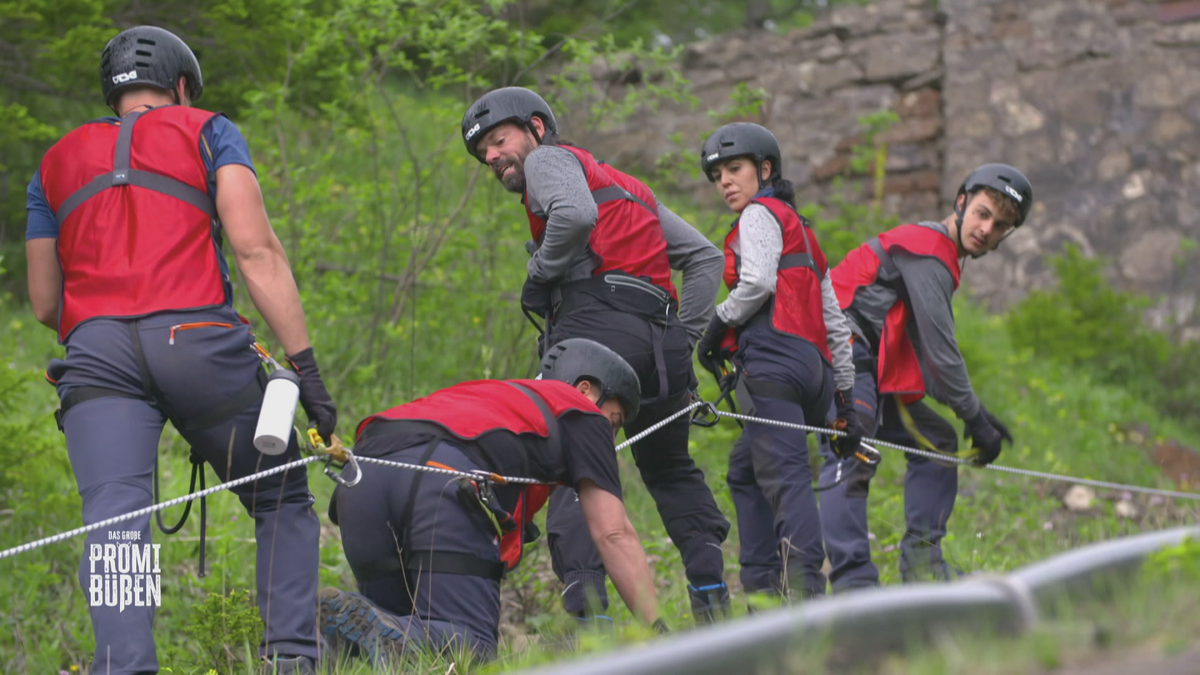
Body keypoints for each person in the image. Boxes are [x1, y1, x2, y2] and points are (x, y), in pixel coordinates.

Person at [24, 26, 336, 674]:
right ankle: (291, 661)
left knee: (116, 522)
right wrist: (305, 367)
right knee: (280, 497)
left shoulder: (54, 161)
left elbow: (46, 302)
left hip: (96, 352)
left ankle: (126, 664)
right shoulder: (208, 129)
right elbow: (254, 250)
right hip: (196, 339)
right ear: (183, 85)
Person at [460, 87, 732, 623]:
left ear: (537, 127)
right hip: (659, 346)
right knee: (672, 470)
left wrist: (539, 274)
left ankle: (593, 631)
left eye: (498, 140)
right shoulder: (626, 186)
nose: (492, 157)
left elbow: (577, 215)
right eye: (483, 154)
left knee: (568, 464)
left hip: (593, 332)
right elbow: (705, 258)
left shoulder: (551, 161)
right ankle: (712, 605)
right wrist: (682, 338)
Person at [319, 338, 668, 665]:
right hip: (439, 478)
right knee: (471, 648)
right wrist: (658, 633)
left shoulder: (493, 397)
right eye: (615, 421)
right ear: (586, 389)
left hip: (361, 478)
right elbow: (613, 533)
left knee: (391, 637)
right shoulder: (580, 411)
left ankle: (306, 633)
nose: (611, 436)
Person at [818, 163, 1033, 588]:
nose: (987, 229)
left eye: (1001, 225)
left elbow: (925, 357)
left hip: (867, 355)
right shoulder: (930, 250)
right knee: (851, 445)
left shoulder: (940, 257)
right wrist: (973, 417)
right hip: (838, 346)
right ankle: (853, 585)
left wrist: (979, 415)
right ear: (962, 201)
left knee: (937, 442)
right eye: (983, 213)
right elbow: (942, 351)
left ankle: (923, 569)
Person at [693, 123, 862, 602]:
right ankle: (763, 593)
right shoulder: (805, 234)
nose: (726, 181)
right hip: (812, 375)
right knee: (746, 469)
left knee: (787, 482)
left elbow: (757, 284)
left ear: (765, 170)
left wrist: (717, 324)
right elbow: (834, 323)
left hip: (773, 365)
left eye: (735, 168)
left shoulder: (758, 215)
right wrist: (845, 402)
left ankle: (806, 602)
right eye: (718, 174)